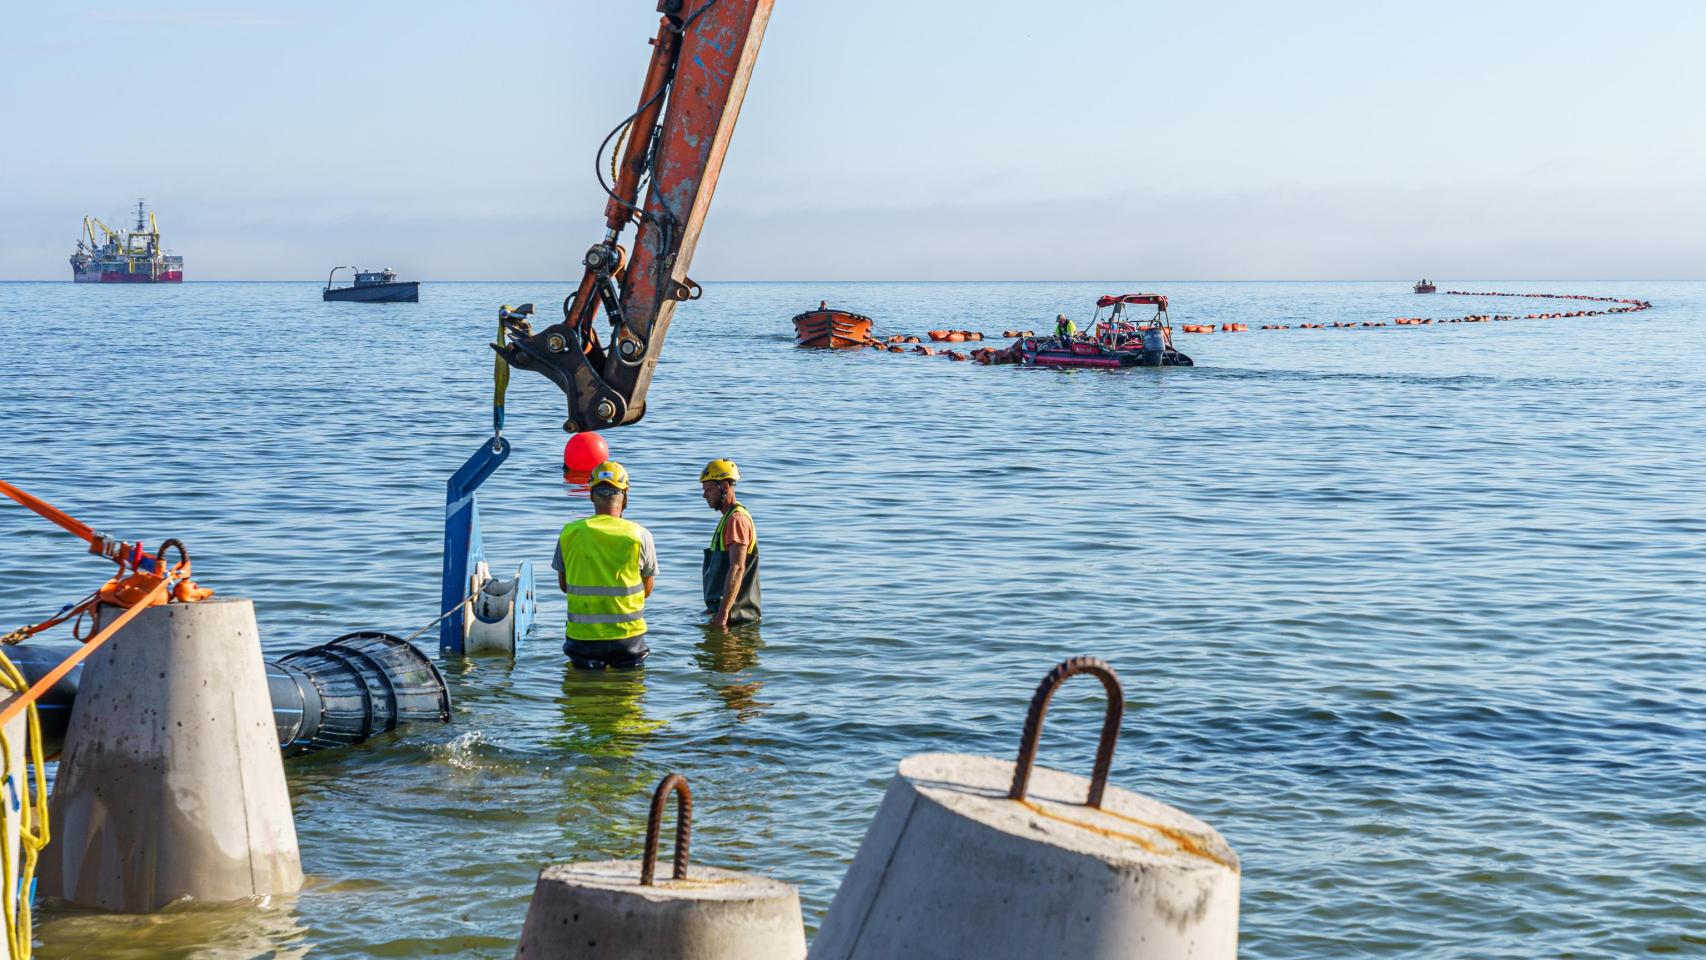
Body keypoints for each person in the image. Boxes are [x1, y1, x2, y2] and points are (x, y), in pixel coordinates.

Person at [554, 460, 657, 669]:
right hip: (628, 637)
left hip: (583, 638)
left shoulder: (569, 533)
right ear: (625, 494)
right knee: (629, 694)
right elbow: (647, 590)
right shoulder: (640, 535)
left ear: (592, 494)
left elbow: (564, 586)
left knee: (581, 696)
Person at [699, 458, 761, 628]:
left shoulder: (737, 520)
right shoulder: (728, 519)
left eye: (708, 489)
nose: (704, 495)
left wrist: (723, 614)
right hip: (726, 615)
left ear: (725, 486)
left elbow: (737, 568)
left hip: (736, 619)